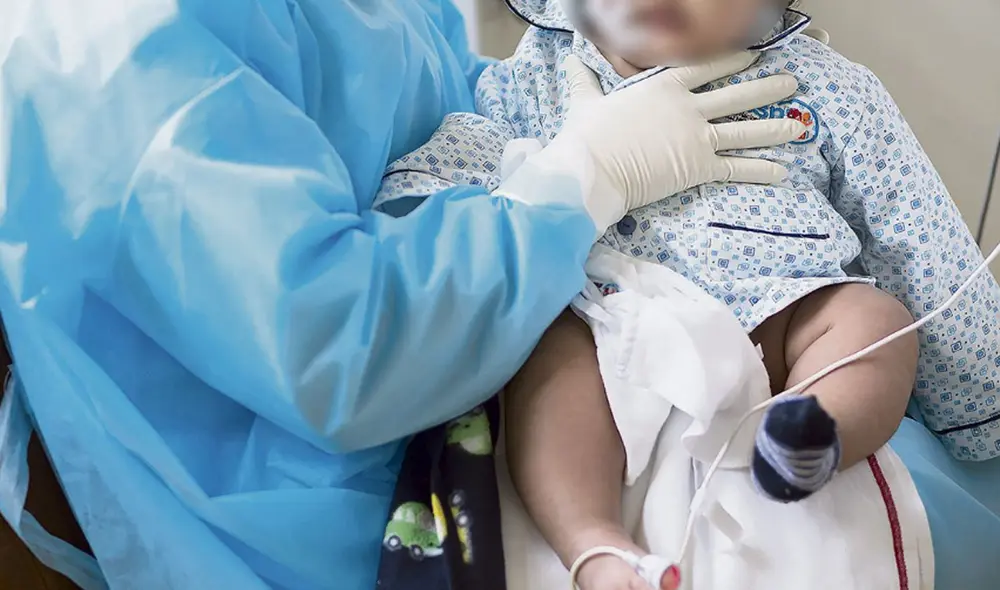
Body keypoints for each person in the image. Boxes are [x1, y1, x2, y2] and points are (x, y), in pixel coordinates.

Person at [0, 1, 808, 588]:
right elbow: (337, 349)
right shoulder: (124, 42)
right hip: (337, 500)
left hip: (485, 347)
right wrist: (586, 176)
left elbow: (440, 109)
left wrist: (584, 96)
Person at [370, 1, 1000, 589]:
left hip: (776, 323)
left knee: (872, 318)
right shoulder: (532, 74)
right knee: (548, 356)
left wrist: (982, 407)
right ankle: (594, 544)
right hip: (606, 321)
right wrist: (418, 205)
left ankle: (807, 436)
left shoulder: (830, 89)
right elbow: (455, 180)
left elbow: (918, 241)